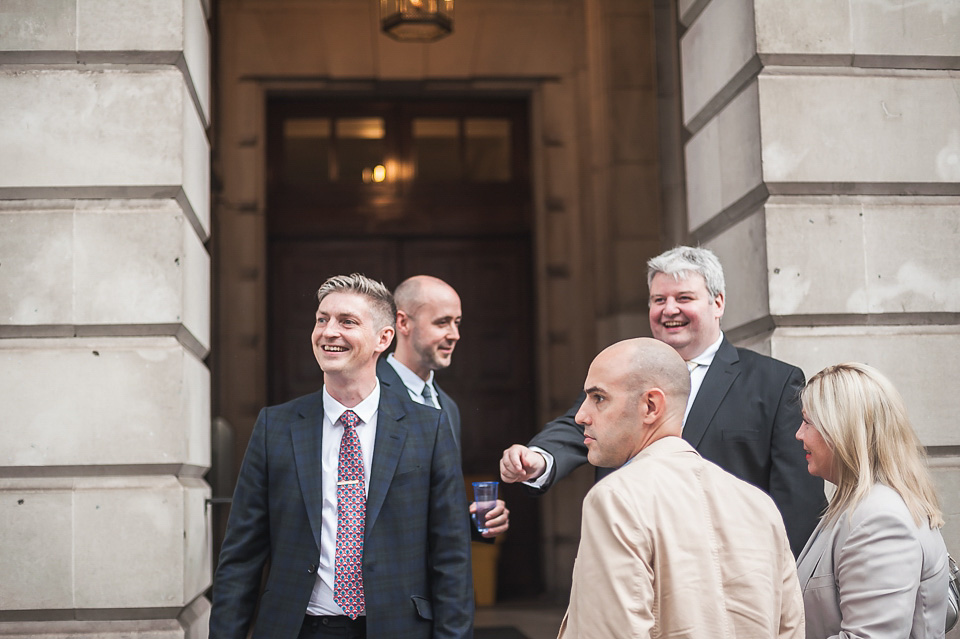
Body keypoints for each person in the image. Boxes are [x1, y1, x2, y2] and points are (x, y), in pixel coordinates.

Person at [500, 245, 826, 555]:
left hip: (722, 574)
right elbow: (579, 425)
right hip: (629, 563)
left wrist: (780, 586)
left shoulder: (775, 382)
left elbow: (797, 500)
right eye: (659, 299)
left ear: (718, 303)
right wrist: (539, 459)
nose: (669, 310)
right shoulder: (625, 369)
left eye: (684, 298)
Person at [209, 273, 473, 639]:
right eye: (322, 319)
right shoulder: (276, 426)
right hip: (297, 628)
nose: (328, 331)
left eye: (347, 321)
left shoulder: (429, 428)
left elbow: (452, 558)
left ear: (384, 338)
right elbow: (241, 556)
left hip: (397, 628)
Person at [558, 337, 804, 638]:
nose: (581, 415)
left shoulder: (616, 498)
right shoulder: (759, 505)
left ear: (651, 405)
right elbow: (790, 630)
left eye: (598, 397)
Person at [795, 362, 948, 638]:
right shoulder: (860, 505)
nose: (799, 434)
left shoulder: (880, 518)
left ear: (842, 431)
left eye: (808, 422)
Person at [376, 274, 509, 539]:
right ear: (403, 322)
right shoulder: (368, 393)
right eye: (442, 323)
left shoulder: (447, 406)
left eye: (457, 323)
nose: (455, 335)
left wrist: (477, 522)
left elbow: (441, 500)